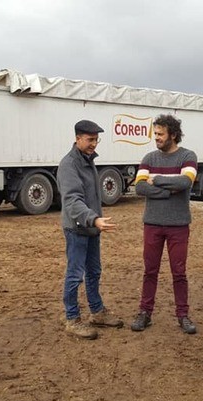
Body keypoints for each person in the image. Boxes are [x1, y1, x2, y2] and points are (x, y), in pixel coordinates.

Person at [130, 114, 198, 334]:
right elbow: (139, 188)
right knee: (150, 270)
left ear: (173, 135)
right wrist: (170, 192)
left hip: (178, 225)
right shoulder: (149, 157)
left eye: (160, 134)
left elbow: (186, 181)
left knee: (179, 272)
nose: (156, 138)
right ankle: (145, 313)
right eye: (155, 133)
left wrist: (156, 180)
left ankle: (183, 315)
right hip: (152, 224)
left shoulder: (188, 156)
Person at [57, 119, 123, 340]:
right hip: (77, 229)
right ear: (77, 139)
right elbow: (73, 201)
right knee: (75, 275)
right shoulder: (69, 165)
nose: (94, 144)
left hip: (92, 228)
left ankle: (97, 312)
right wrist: (94, 219)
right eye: (90, 139)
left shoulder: (88, 160)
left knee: (94, 271)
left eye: (96, 139)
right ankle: (72, 319)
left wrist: (95, 222)